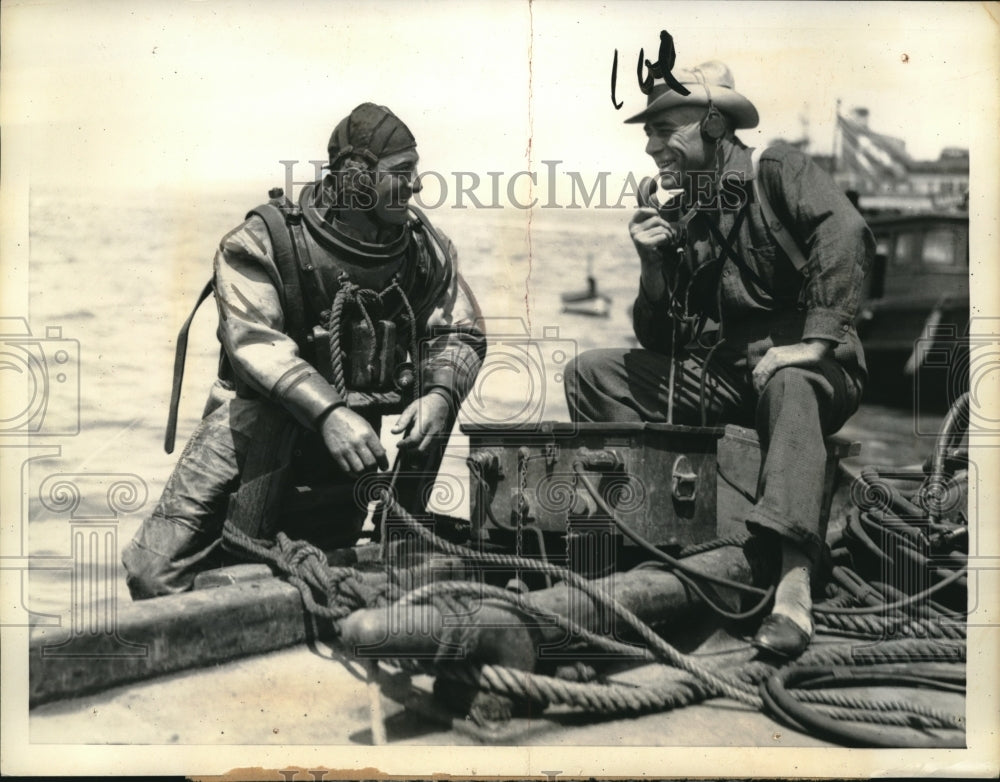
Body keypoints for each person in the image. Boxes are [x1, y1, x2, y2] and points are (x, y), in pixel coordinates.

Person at [564, 62, 873, 658]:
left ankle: (792, 582)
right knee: (592, 373)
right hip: (729, 379)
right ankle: (657, 530)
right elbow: (662, 343)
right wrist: (653, 268)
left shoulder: (777, 169)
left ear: (711, 123)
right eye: (647, 135)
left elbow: (847, 232)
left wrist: (812, 343)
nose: (653, 147)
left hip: (815, 373)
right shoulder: (687, 211)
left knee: (791, 383)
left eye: (665, 131)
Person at [124, 103, 486, 600]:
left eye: (415, 172)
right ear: (358, 180)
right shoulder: (265, 241)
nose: (418, 186)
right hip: (250, 433)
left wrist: (440, 394)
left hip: (354, 447)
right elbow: (256, 341)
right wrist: (329, 413)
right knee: (154, 571)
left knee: (320, 569)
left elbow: (459, 329)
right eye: (402, 174)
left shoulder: (423, 251)